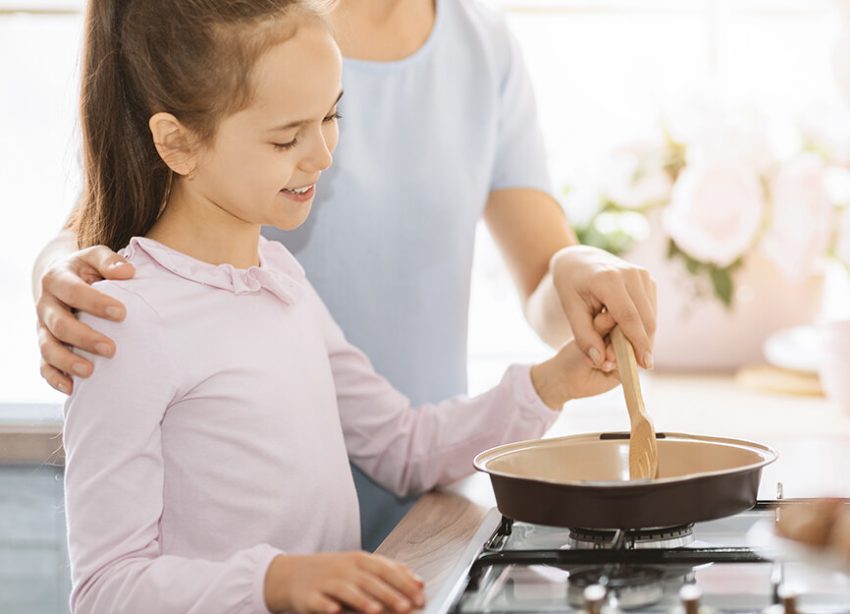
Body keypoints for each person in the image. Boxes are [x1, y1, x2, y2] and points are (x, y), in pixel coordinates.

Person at [33, 0, 657, 549]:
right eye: (287, 139)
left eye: (335, 117)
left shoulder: (284, 284)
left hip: (422, 519)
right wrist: (56, 273)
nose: (325, 154)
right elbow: (113, 583)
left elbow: (406, 443)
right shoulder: (244, 24)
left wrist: (561, 345)